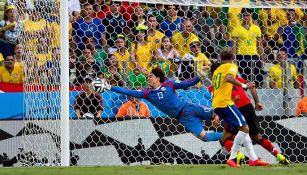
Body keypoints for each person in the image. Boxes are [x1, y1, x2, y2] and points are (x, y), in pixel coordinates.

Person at [100, 66, 223, 142]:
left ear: (158, 78)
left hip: (189, 107)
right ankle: (232, 136)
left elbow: (188, 83)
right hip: (184, 118)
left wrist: (200, 76)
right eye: (148, 77)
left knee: (220, 113)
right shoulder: (147, 93)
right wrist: (109, 87)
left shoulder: (169, 84)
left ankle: (238, 128)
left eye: (151, 76)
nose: (148, 78)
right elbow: (127, 91)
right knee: (205, 138)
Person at [209, 62, 290, 165]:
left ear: (214, 74)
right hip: (248, 107)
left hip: (234, 108)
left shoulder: (214, 86)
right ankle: (278, 155)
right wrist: (257, 102)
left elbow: (219, 101)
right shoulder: (236, 78)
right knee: (256, 137)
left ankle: (236, 155)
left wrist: (216, 115)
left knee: (226, 138)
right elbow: (251, 86)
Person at [212, 47, 269, 167]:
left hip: (217, 104)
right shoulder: (231, 66)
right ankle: (232, 158)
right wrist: (244, 86)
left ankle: (253, 159)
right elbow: (229, 78)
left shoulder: (217, 70)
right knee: (245, 129)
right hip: (225, 103)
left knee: (245, 130)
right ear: (233, 58)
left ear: (221, 59)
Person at [232, 8, 264, 88]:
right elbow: (234, 45)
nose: (246, 17)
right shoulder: (237, 28)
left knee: (258, 79)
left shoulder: (256, 28)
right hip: (242, 56)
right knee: (244, 80)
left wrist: (262, 58)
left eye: (248, 15)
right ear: (241, 17)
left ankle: (257, 96)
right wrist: (234, 59)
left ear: (251, 16)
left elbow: (260, 44)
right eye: (244, 15)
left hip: (254, 55)